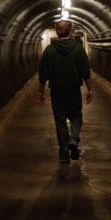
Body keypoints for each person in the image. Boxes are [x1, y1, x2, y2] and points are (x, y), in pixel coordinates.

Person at [38, 20, 93, 163]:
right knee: (76, 117)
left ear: (57, 32)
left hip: (57, 92)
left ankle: (63, 152)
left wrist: (41, 92)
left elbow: (43, 73)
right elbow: (86, 71)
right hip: (74, 91)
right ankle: (73, 140)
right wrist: (90, 89)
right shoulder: (78, 49)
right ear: (71, 31)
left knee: (60, 121)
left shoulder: (49, 50)